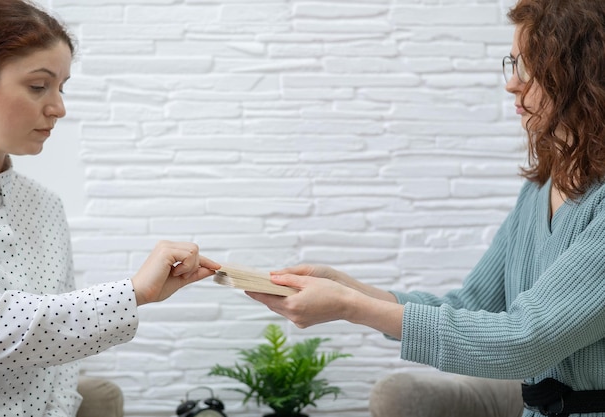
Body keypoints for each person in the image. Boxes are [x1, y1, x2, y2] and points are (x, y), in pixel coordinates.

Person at [249, 0, 605, 416]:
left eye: (529, 69)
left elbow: (523, 340)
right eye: (514, 64)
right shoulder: (541, 187)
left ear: (581, 76)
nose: (512, 83)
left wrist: (350, 307)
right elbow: (471, 305)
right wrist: (348, 288)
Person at [0, 0, 220, 415]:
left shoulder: (44, 206)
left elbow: (58, 351)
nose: (58, 107)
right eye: (38, 86)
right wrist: (131, 294)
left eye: (61, 87)